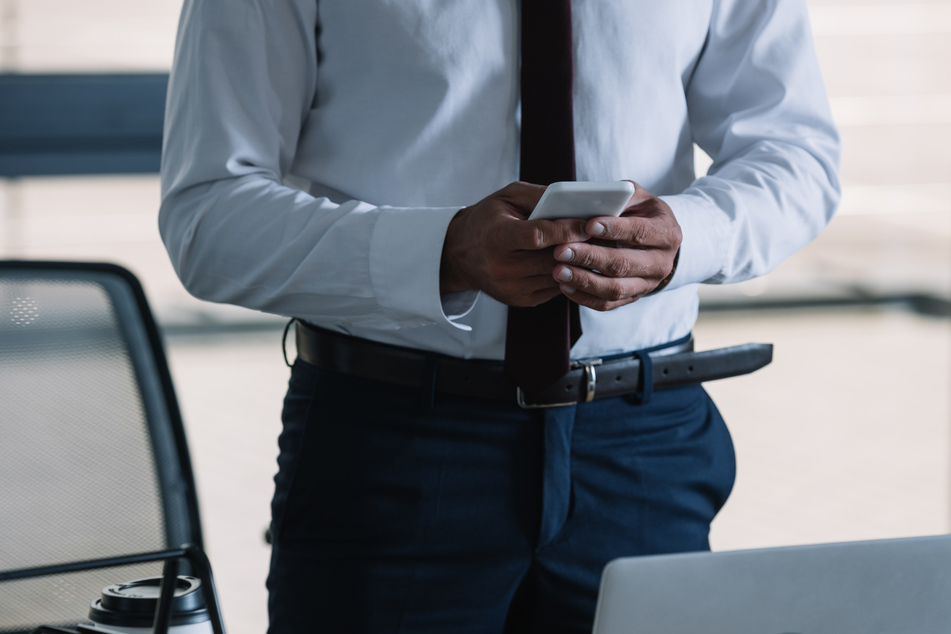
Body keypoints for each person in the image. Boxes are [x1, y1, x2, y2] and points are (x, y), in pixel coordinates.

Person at [160, 1, 840, 632]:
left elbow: (795, 155)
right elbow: (209, 216)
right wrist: (442, 253)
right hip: (391, 443)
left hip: (643, 445)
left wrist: (689, 236)